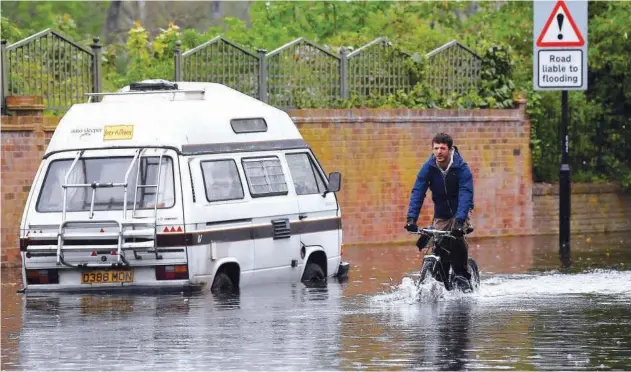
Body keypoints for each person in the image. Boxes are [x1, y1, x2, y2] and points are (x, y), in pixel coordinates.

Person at [405, 132, 474, 291]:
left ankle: (461, 273)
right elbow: (418, 191)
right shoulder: (428, 167)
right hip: (441, 212)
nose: (438, 152)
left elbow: (465, 193)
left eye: (442, 148)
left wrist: (460, 220)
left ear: (450, 150)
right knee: (439, 242)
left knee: (456, 238)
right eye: (435, 148)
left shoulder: (461, 168)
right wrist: (411, 219)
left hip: (461, 210)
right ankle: (439, 276)